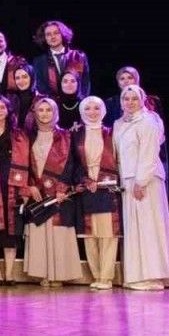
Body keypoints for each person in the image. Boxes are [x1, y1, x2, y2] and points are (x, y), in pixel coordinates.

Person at [115, 85, 169, 291]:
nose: (130, 102)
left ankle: (152, 275)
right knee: (135, 228)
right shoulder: (121, 123)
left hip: (145, 181)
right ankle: (138, 275)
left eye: (134, 98)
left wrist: (141, 181)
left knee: (149, 227)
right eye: (126, 98)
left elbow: (149, 153)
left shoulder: (148, 121)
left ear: (142, 100)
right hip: (128, 180)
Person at [23, 97, 82, 287]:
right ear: (35, 113)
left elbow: (73, 164)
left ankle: (59, 274)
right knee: (39, 230)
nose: (44, 114)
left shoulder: (66, 136)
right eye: (40, 110)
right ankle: (43, 273)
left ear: (55, 112)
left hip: (59, 193)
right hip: (37, 191)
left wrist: (62, 187)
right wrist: (30, 185)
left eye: (48, 110)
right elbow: (23, 164)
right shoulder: (27, 137)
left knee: (58, 231)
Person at [71, 96, 121, 290]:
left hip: (107, 188)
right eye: (88, 108)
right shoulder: (76, 135)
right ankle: (96, 274)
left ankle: (106, 277)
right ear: (82, 111)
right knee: (90, 235)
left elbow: (118, 161)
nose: (92, 112)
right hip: (86, 187)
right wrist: (86, 180)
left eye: (96, 108)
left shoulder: (111, 133)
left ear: (103, 111)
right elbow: (73, 163)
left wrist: (100, 181)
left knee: (108, 235)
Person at [0, 96, 30, 286]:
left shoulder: (19, 135)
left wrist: (24, 189)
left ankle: (9, 275)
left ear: (8, 111)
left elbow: (27, 164)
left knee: (11, 233)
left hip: (13, 189)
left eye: (3, 107)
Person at [32, 20, 91, 97]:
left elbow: (85, 83)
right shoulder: (39, 61)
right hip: (52, 102)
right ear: (44, 38)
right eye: (48, 34)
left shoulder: (78, 56)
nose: (53, 37)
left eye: (56, 33)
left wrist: (82, 100)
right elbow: (41, 88)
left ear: (63, 34)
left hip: (77, 101)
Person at [8, 67, 38, 132]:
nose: (21, 81)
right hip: (14, 136)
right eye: (17, 78)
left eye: (24, 77)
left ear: (32, 78)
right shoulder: (10, 99)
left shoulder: (40, 100)